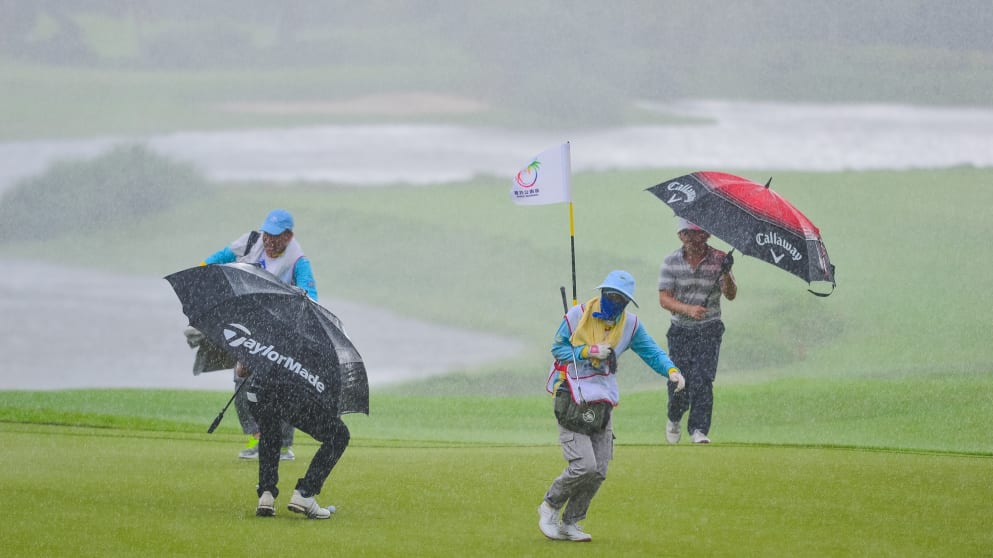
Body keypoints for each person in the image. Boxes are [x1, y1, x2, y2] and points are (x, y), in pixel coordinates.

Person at [537, 270, 685, 542]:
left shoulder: (630, 326)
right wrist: (588, 351)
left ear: (627, 302)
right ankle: (550, 506)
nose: (614, 302)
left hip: (602, 401)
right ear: (602, 293)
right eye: (611, 295)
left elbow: (652, 352)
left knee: (600, 469)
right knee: (584, 466)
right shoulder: (576, 316)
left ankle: (571, 522)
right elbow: (558, 349)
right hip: (572, 395)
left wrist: (672, 371)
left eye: (621, 298)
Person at [200, 208, 319, 461]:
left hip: (282, 330)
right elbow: (221, 256)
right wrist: (202, 269)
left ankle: (283, 445)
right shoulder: (252, 241)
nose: (269, 241)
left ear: (289, 236)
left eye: (276, 236)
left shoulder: (299, 261)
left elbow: (311, 295)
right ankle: (257, 438)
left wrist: (301, 304)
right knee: (242, 379)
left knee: (280, 386)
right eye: (267, 234)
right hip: (251, 323)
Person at [658, 218, 737, 445]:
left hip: (710, 329)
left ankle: (699, 429)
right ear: (681, 236)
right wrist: (688, 309)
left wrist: (727, 273)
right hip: (680, 330)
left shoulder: (720, 260)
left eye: (700, 234)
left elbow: (730, 294)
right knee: (679, 380)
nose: (696, 240)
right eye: (690, 234)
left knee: (703, 379)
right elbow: (664, 299)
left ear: (708, 235)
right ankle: (674, 417)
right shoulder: (671, 262)